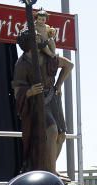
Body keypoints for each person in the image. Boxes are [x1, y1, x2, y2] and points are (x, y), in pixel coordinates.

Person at [13, 26, 73, 170]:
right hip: (37, 103)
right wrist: (30, 91)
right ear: (29, 43)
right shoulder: (22, 64)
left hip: (52, 98)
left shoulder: (47, 57)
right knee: (51, 130)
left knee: (61, 135)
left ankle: (49, 168)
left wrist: (58, 85)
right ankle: (51, 172)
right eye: (37, 38)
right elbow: (17, 91)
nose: (41, 40)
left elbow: (68, 65)